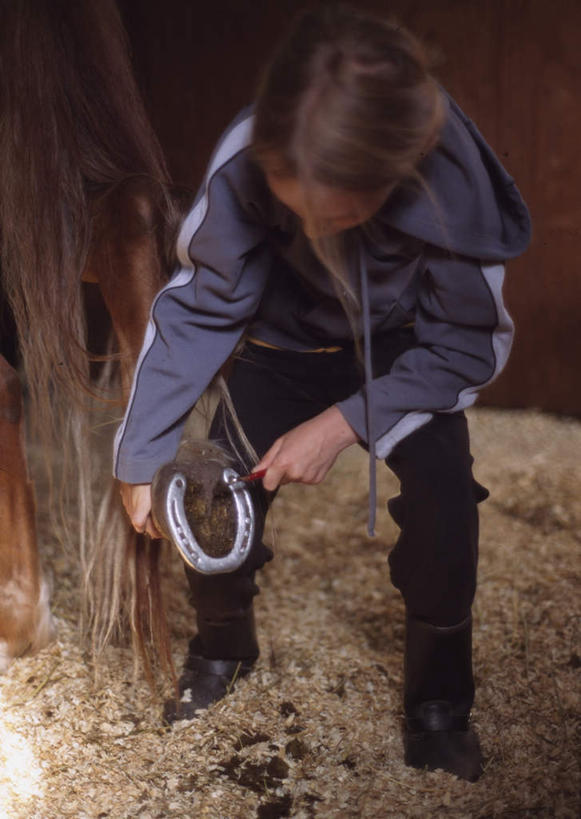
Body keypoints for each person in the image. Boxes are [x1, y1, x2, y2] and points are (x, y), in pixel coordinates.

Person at [114, 4, 531, 782]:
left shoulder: (451, 190)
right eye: (290, 206)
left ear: (399, 175)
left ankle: (438, 704)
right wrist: (141, 451)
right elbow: (198, 309)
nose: (311, 234)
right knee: (210, 486)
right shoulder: (244, 161)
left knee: (445, 502)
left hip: (405, 355)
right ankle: (221, 648)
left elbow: (465, 347)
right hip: (281, 347)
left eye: (337, 215)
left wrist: (341, 423)